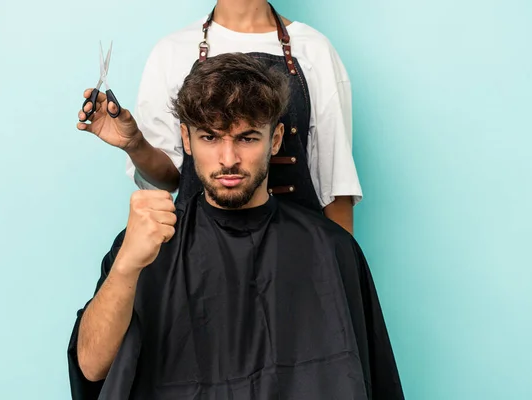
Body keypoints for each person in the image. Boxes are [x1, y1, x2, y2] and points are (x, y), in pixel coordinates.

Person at [70, 53, 403, 399]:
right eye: (210, 138)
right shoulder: (147, 245)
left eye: (246, 138)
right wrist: (126, 265)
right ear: (186, 140)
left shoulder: (331, 249)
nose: (228, 159)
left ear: (274, 141)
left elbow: (372, 381)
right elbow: (92, 367)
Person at [77, 0, 362, 234]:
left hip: (297, 254)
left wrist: (344, 277)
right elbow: (171, 179)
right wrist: (134, 143)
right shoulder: (171, 51)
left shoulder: (315, 49)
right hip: (198, 255)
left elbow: (336, 187)